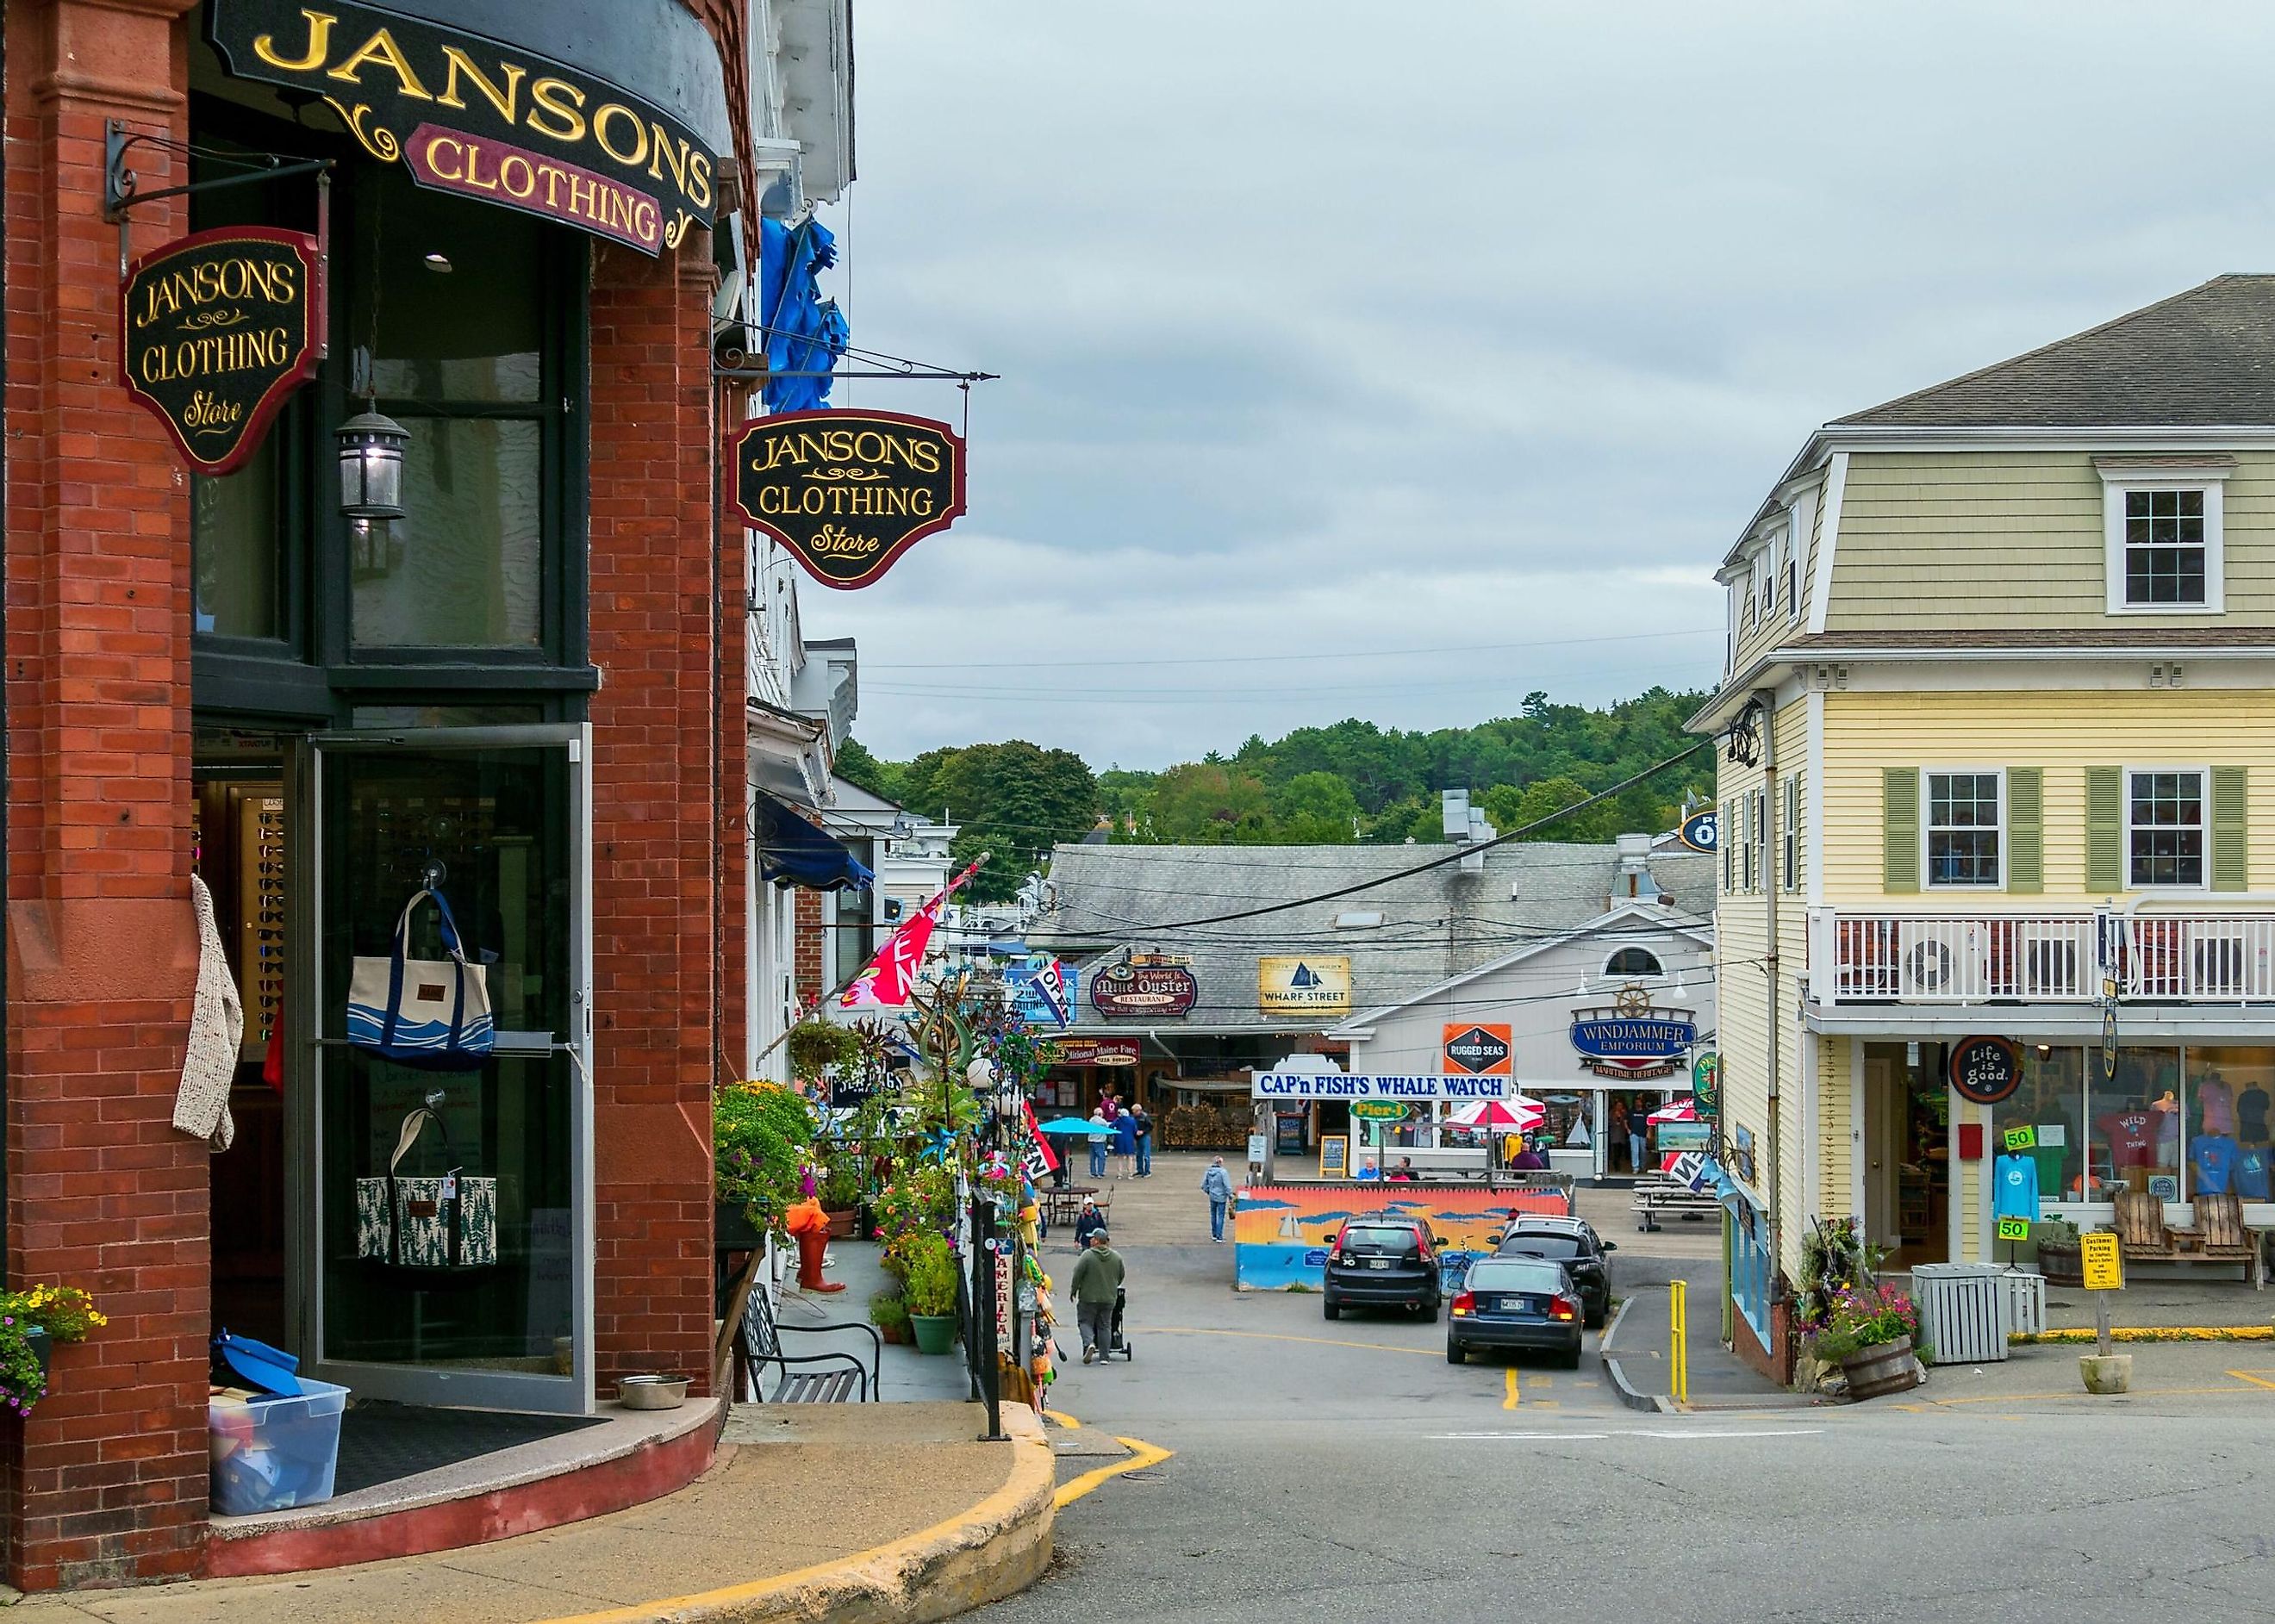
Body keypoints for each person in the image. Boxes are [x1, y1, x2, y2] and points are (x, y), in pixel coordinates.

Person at [1070, 1229, 1125, 1364]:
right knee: (1105, 1325)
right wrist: (1112, 1285)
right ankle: (1105, 1357)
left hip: (1088, 1297)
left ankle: (1089, 1343)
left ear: (1097, 1241)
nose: (1090, 1240)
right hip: (1108, 1298)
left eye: (1092, 1238)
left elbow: (1077, 1273)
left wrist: (1074, 1290)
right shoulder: (1117, 1257)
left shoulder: (1087, 1256)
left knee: (1084, 1322)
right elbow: (1121, 1275)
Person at [1201, 1155, 1235, 1242]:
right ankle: (1219, 1236)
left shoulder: (1208, 1171)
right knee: (1220, 1216)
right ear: (1220, 1163)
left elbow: (1203, 1185)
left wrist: (1209, 1191)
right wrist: (1230, 1196)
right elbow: (1227, 1186)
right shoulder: (1223, 1172)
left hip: (1212, 1196)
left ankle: (1214, 1234)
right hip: (1221, 1197)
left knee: (1213, 1215)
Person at [1111, 1107, 1138, 1179]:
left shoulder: (1118, 1120)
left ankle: (1120, 1174)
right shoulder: (1132, 1120)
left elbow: (1111, 1126)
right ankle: (1130, 1174)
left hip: (1119, 1140)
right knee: (1130, 1157)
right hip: (1129, 1140)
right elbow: (1135, 1130)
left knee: (1120, 1157)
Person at [1131, 1102, 1154, 1177]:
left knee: (1146, 1155)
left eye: (1134, 1111)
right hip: (1137, 1137)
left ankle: (1147, 1171)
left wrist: (1143, 1132)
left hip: (1145, 1136)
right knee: (1139, 1154)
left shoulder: (1145, 1116)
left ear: (1139, 1110)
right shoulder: (1133, 1117)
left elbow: (1151, 1126)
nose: (1133, 1113)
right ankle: (1140, 1170)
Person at [1087, 1108, 1110, 1179]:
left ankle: (1093, 1173)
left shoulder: (1091, 1120)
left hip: (1091, 1141)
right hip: (1099, 1141)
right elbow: (1108, 1127)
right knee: (1101, 1158)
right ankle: (1100, 1172)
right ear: (1100, 1114)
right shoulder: (1102, 1121)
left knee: (1092, 1158)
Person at [1626, 1103, 1649, 1175]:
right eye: (1637, 1102)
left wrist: (1649, 1131)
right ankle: (1635, 1167)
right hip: (1633, 1134)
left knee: (1643, 1151)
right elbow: (1625, 1120)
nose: (1638, 1103)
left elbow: (1649, 1123)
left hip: (1643, 1134)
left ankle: (1643, 1166)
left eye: (1640, 1102)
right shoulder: (1631, 1111)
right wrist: (1628, 1129)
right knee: (1635, 1151)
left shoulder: (1646, 1112)